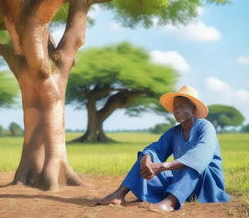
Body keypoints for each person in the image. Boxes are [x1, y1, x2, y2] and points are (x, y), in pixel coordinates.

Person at [97, 85, 230, 211]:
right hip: (182, 183)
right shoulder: (174, 132)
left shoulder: (205, 127)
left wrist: (163, 166)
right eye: (175, 106)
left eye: (182, 105)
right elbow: (155, 148)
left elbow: (199, 156)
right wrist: (147, 159)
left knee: (191, 164)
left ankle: (170, 203)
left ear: (194, 108)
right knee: (146, 157)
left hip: (206, 183)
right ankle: (119, 194)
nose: (176, 109)